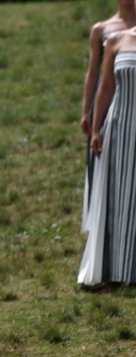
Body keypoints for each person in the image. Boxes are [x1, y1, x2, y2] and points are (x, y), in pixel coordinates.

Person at [80, 28, 136, 288]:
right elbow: (106, 87)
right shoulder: (116, 40)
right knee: (117, 198)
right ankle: (113, 273)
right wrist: (95, 129)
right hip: (120, 126)